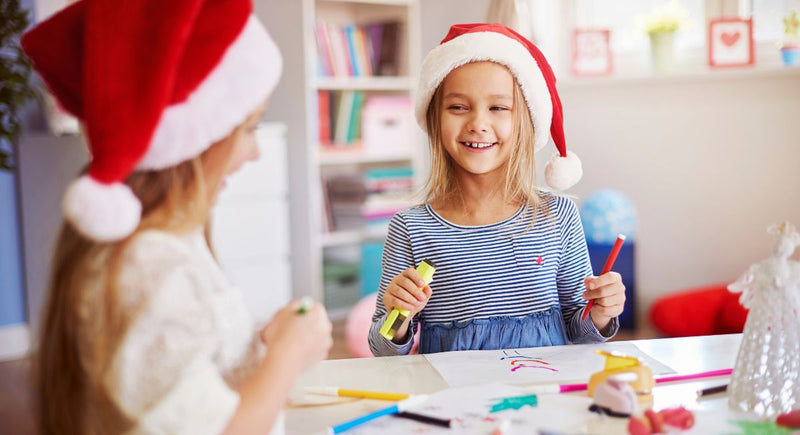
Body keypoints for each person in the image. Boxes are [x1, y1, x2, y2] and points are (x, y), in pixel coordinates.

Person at [21, 0, 332, 433]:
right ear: (191, 141)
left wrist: (262, 348)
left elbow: (183, 376)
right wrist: (287, 356)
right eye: (248, 129)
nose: (254, 152)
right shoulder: (147, 268)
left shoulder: (169, 245)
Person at [368, 23, 625, 356]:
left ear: (526, 122)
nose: (477, 123)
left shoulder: (559, 216)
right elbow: (383, 349)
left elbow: (583, 332)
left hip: (543, 395)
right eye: (458, 107)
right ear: (435, 120)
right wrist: (398, 315)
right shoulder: (411, 228)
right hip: (455, 402)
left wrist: (602, 312)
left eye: (499, 108)